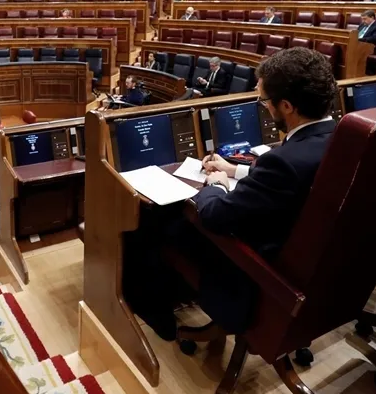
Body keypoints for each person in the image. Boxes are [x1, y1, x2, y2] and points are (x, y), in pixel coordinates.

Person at [130, 47, 338, 339]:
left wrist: (216, 184)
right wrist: (234, 171)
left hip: (259, 270)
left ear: (288, 106)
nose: (263, 105)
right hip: (312, 266)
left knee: (156, 222)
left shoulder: (282, 162)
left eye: (265, 100)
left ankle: (158, 313)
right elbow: (287, 184)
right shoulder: (340, 138)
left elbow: (216, 216)